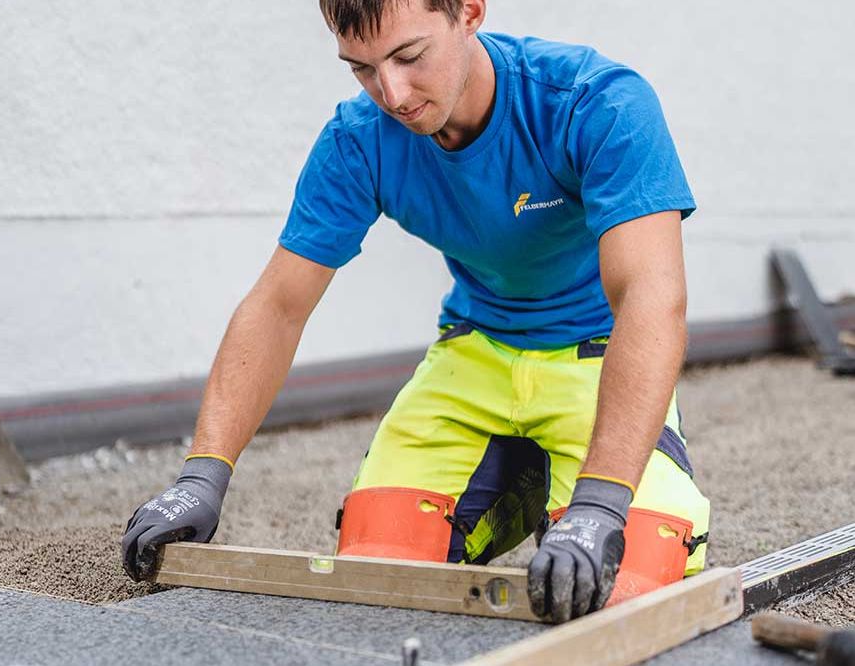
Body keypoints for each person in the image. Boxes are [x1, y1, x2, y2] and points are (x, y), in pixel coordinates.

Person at [121, 0, 710, 624]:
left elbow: (652, 299)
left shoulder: (597, 104)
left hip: (597, 353)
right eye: (362, 69)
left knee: (625, 593)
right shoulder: (359, 140)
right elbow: (277, 306)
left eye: (409, 56)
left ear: (470, 12)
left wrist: (600, 502)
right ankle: (523, 483)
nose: (392, 94)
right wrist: (202, 476)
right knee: (375, 580)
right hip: (476, 348)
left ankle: (567, 487)